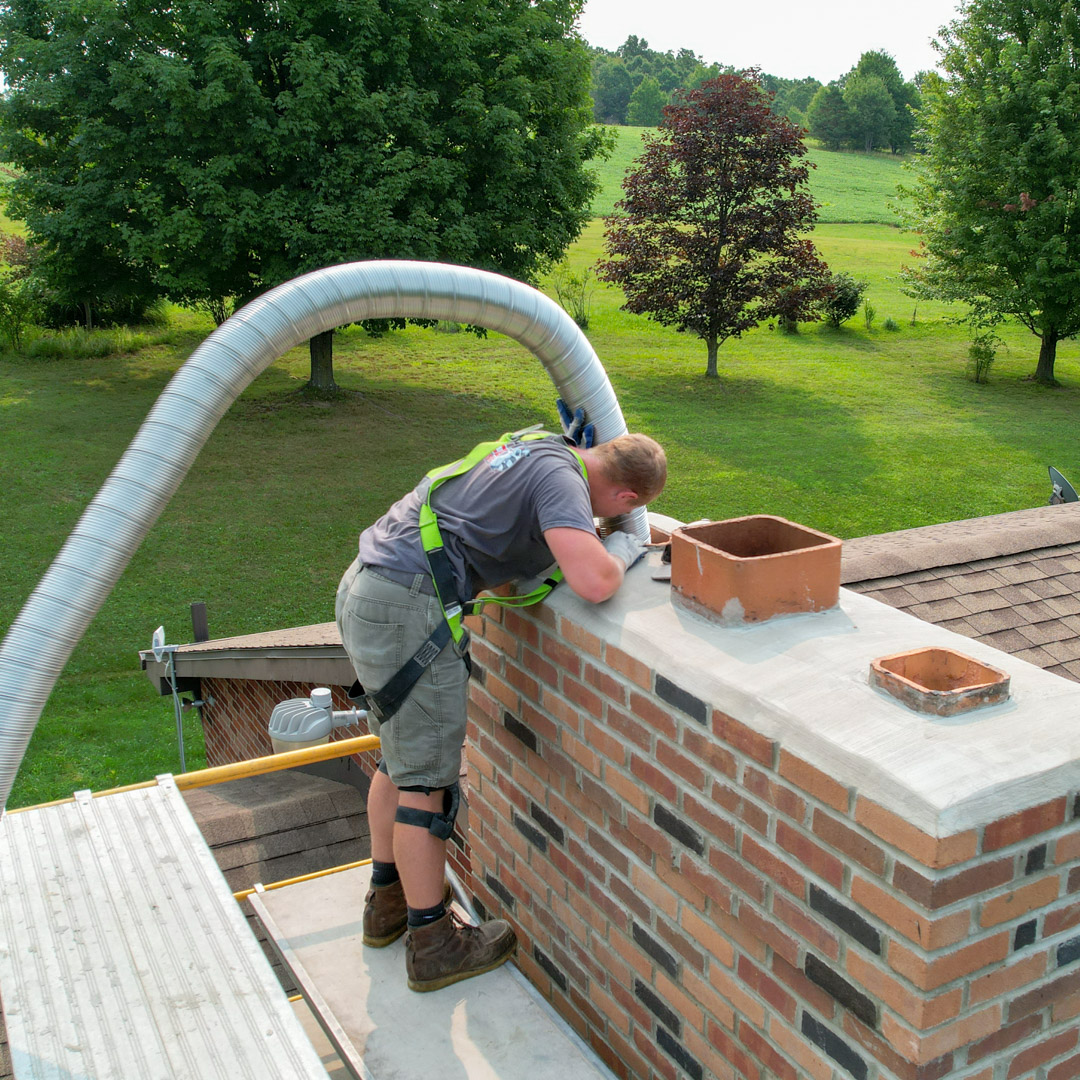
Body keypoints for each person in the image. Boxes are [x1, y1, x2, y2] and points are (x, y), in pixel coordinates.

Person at [335, 418, 666, 993]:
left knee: (399, 760)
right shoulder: (562, 483)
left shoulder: (539, 446)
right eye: (612, 514)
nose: (601, 520)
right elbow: (593, 581)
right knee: (426, 785)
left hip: (373, 584)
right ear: (627, 495)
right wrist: (624, 544)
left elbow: (507, 546)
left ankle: (385, 905)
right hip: (409, 605)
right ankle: (433, 942)